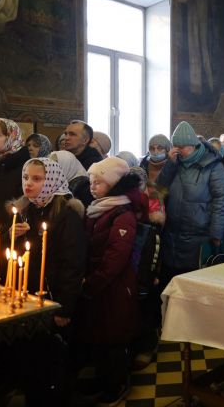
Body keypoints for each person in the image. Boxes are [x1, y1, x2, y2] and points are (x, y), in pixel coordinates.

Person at [12, 157, 86, 403]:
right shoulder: (25, 210)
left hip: (53, 299)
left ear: (52, 180)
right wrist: (10, 237)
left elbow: (72, 264)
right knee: (31, 358)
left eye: (37, 179)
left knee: (53, 362)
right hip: (28, 297)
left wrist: (64, 307)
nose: (29, 184)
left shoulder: (66, 214)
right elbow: (17, 257)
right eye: (26, 178)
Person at [77, 156, 142, 405]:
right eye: (91, 181)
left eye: (99, 182)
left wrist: (95, 281)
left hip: (114, 286)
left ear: (114, 185)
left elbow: (117, 255)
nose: (92, 187)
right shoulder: (97, 208)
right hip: (97, 283)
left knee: (114, 339)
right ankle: (101, 379)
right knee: (98, 334)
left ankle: (117, 384)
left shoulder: (122, 214)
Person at [155, 121, 224, 286]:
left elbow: (221, 200)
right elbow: (160, 187)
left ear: (193, 145)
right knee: (170, 284)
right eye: (176, 147)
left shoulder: (213, 166)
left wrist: (217, 234)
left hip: (199, 236)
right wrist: (170, 164)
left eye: (183, 147)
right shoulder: (176, 163)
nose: (178, 151)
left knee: (193, 286)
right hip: (173, 234)